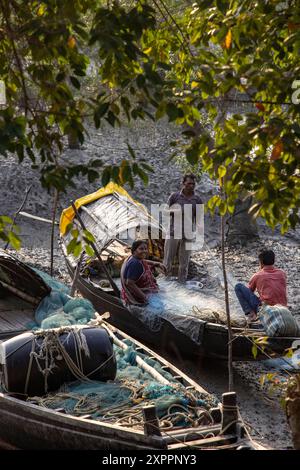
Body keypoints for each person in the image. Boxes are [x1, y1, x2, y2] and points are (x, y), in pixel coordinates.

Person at [163, 174, 203, 283]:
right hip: (173, 233)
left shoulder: (197, 199)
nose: (191, 186)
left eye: (193, 184)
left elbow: (199, 218)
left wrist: (199, 230)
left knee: (184, 263)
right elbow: (165, 212)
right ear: (183, 183)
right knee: (167, 261)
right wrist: (175, 211)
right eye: (189, 183)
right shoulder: (174, 197)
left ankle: (182, 284)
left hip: (188, 234)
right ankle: (166, 284)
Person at [235, 249, 287, 323]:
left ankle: (251, 315)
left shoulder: (258, 275)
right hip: (283, 310)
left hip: (267, 310)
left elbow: (250, 292)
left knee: (238, 287)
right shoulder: (282, 273)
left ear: (261, 263)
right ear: (273, 261)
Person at [121, 240, 166, 306]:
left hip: (147, 290)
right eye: (141, 249)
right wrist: (145, 298)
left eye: (145, 249)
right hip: (138, 297)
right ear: (134, 251)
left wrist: (156, 263)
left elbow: (143, 260)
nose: (144, 251)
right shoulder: (135, 264)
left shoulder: (136, 258)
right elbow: (129, 283)